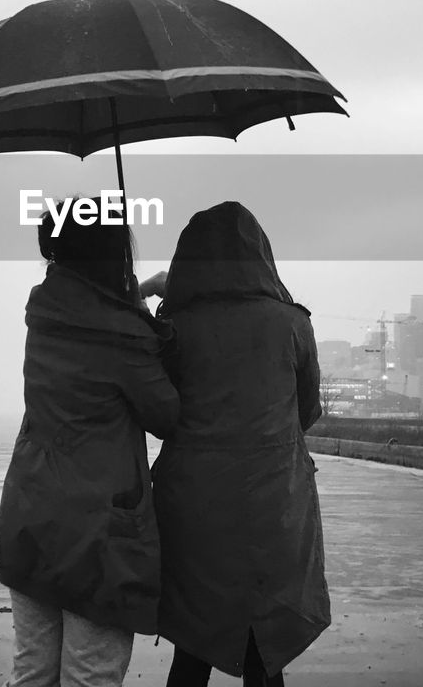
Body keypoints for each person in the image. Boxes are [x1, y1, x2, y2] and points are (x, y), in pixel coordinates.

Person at [0, 196, 180, 687]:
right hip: (99, 537)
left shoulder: (44, 312)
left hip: (30, 517)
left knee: (32, 670)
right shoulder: (124, 333)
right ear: (112, 252)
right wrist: (146, 316)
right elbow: (167, 414)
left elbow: (88, 317)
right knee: (89, 677)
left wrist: (135, 297)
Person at [152, 201, 330, 687]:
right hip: (274, 507)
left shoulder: (174, 328)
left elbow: (160, 414)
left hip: (194, 509)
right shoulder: (292, 324)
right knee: (265, 652)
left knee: (192, 649)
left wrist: (153, 303)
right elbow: (307, 412)